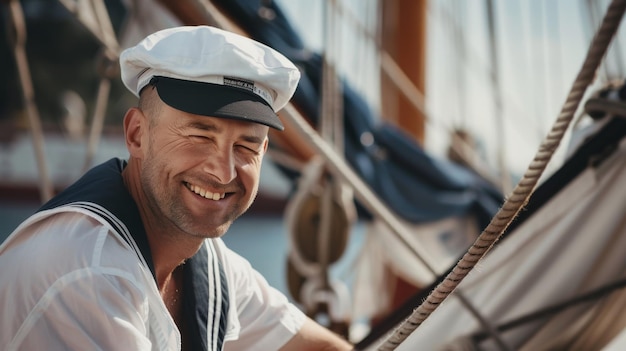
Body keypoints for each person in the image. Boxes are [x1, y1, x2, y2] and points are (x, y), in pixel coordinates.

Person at [0, 25, 352, 351]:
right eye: (199, 135)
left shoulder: (211, 266)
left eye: (246, 146)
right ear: (137, 134)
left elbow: (315, 346)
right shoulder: (87, 269)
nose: (223, 170)